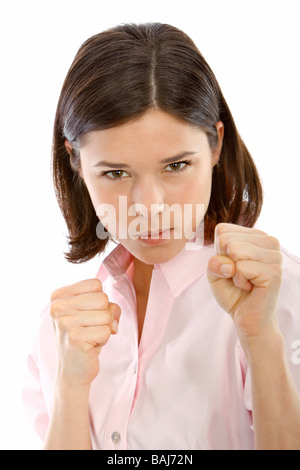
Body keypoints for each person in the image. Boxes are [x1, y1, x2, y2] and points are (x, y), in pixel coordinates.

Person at [22, 22, 300, 450]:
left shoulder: (277, 292)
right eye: (115, 173)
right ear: (76, 161)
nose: (149, 206)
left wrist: (262, 342)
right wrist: (71, 387)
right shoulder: (64, 325)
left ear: (215, 146)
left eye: (176, 166)